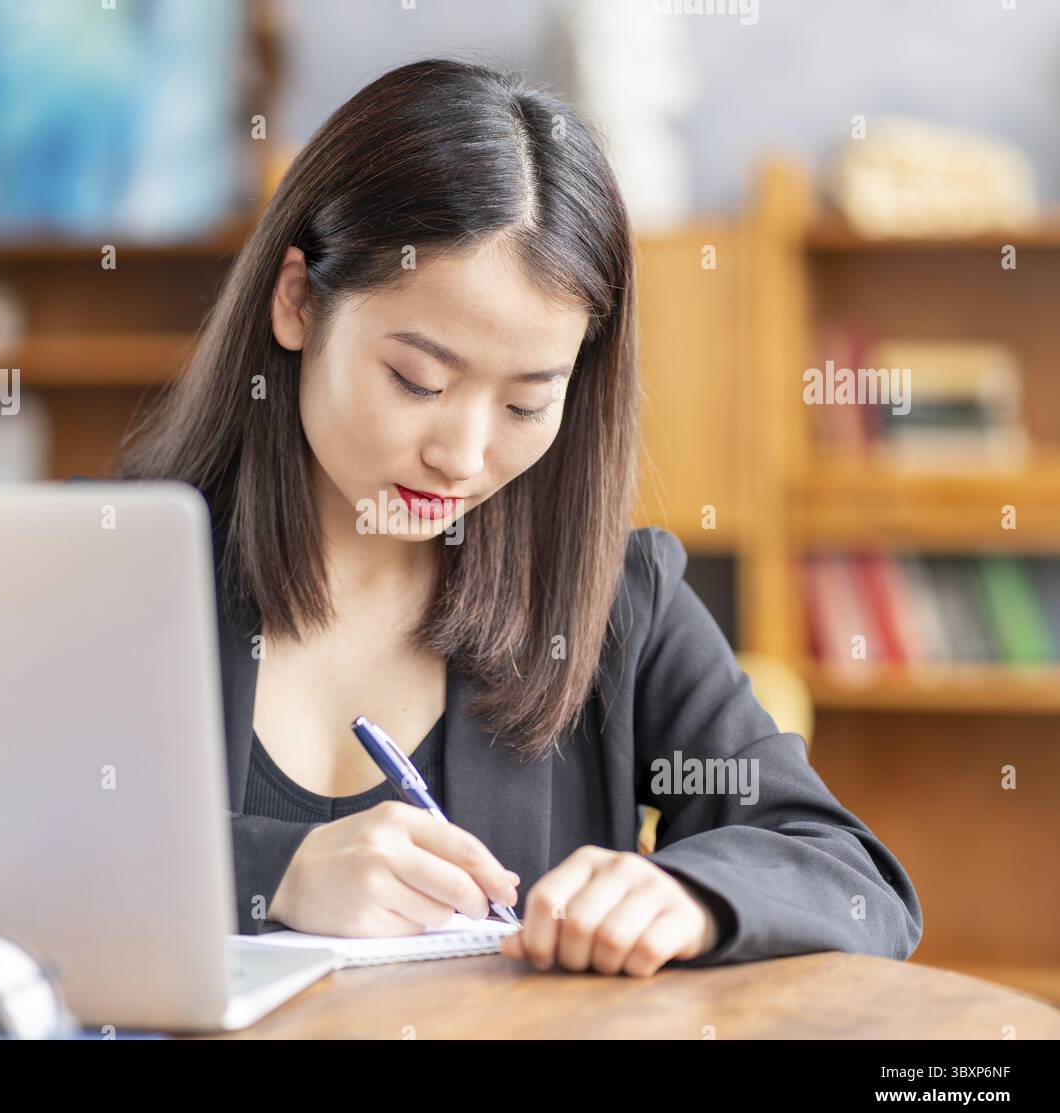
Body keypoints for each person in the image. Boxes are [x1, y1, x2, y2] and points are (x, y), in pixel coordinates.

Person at [117, 57, 922, 977]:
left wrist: (691, 896)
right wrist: (273, 872)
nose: (460, 455)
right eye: (417, 380)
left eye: (525, 405)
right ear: (298, 301)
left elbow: (851, 877)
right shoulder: (106, 572)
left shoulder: (613, 601)